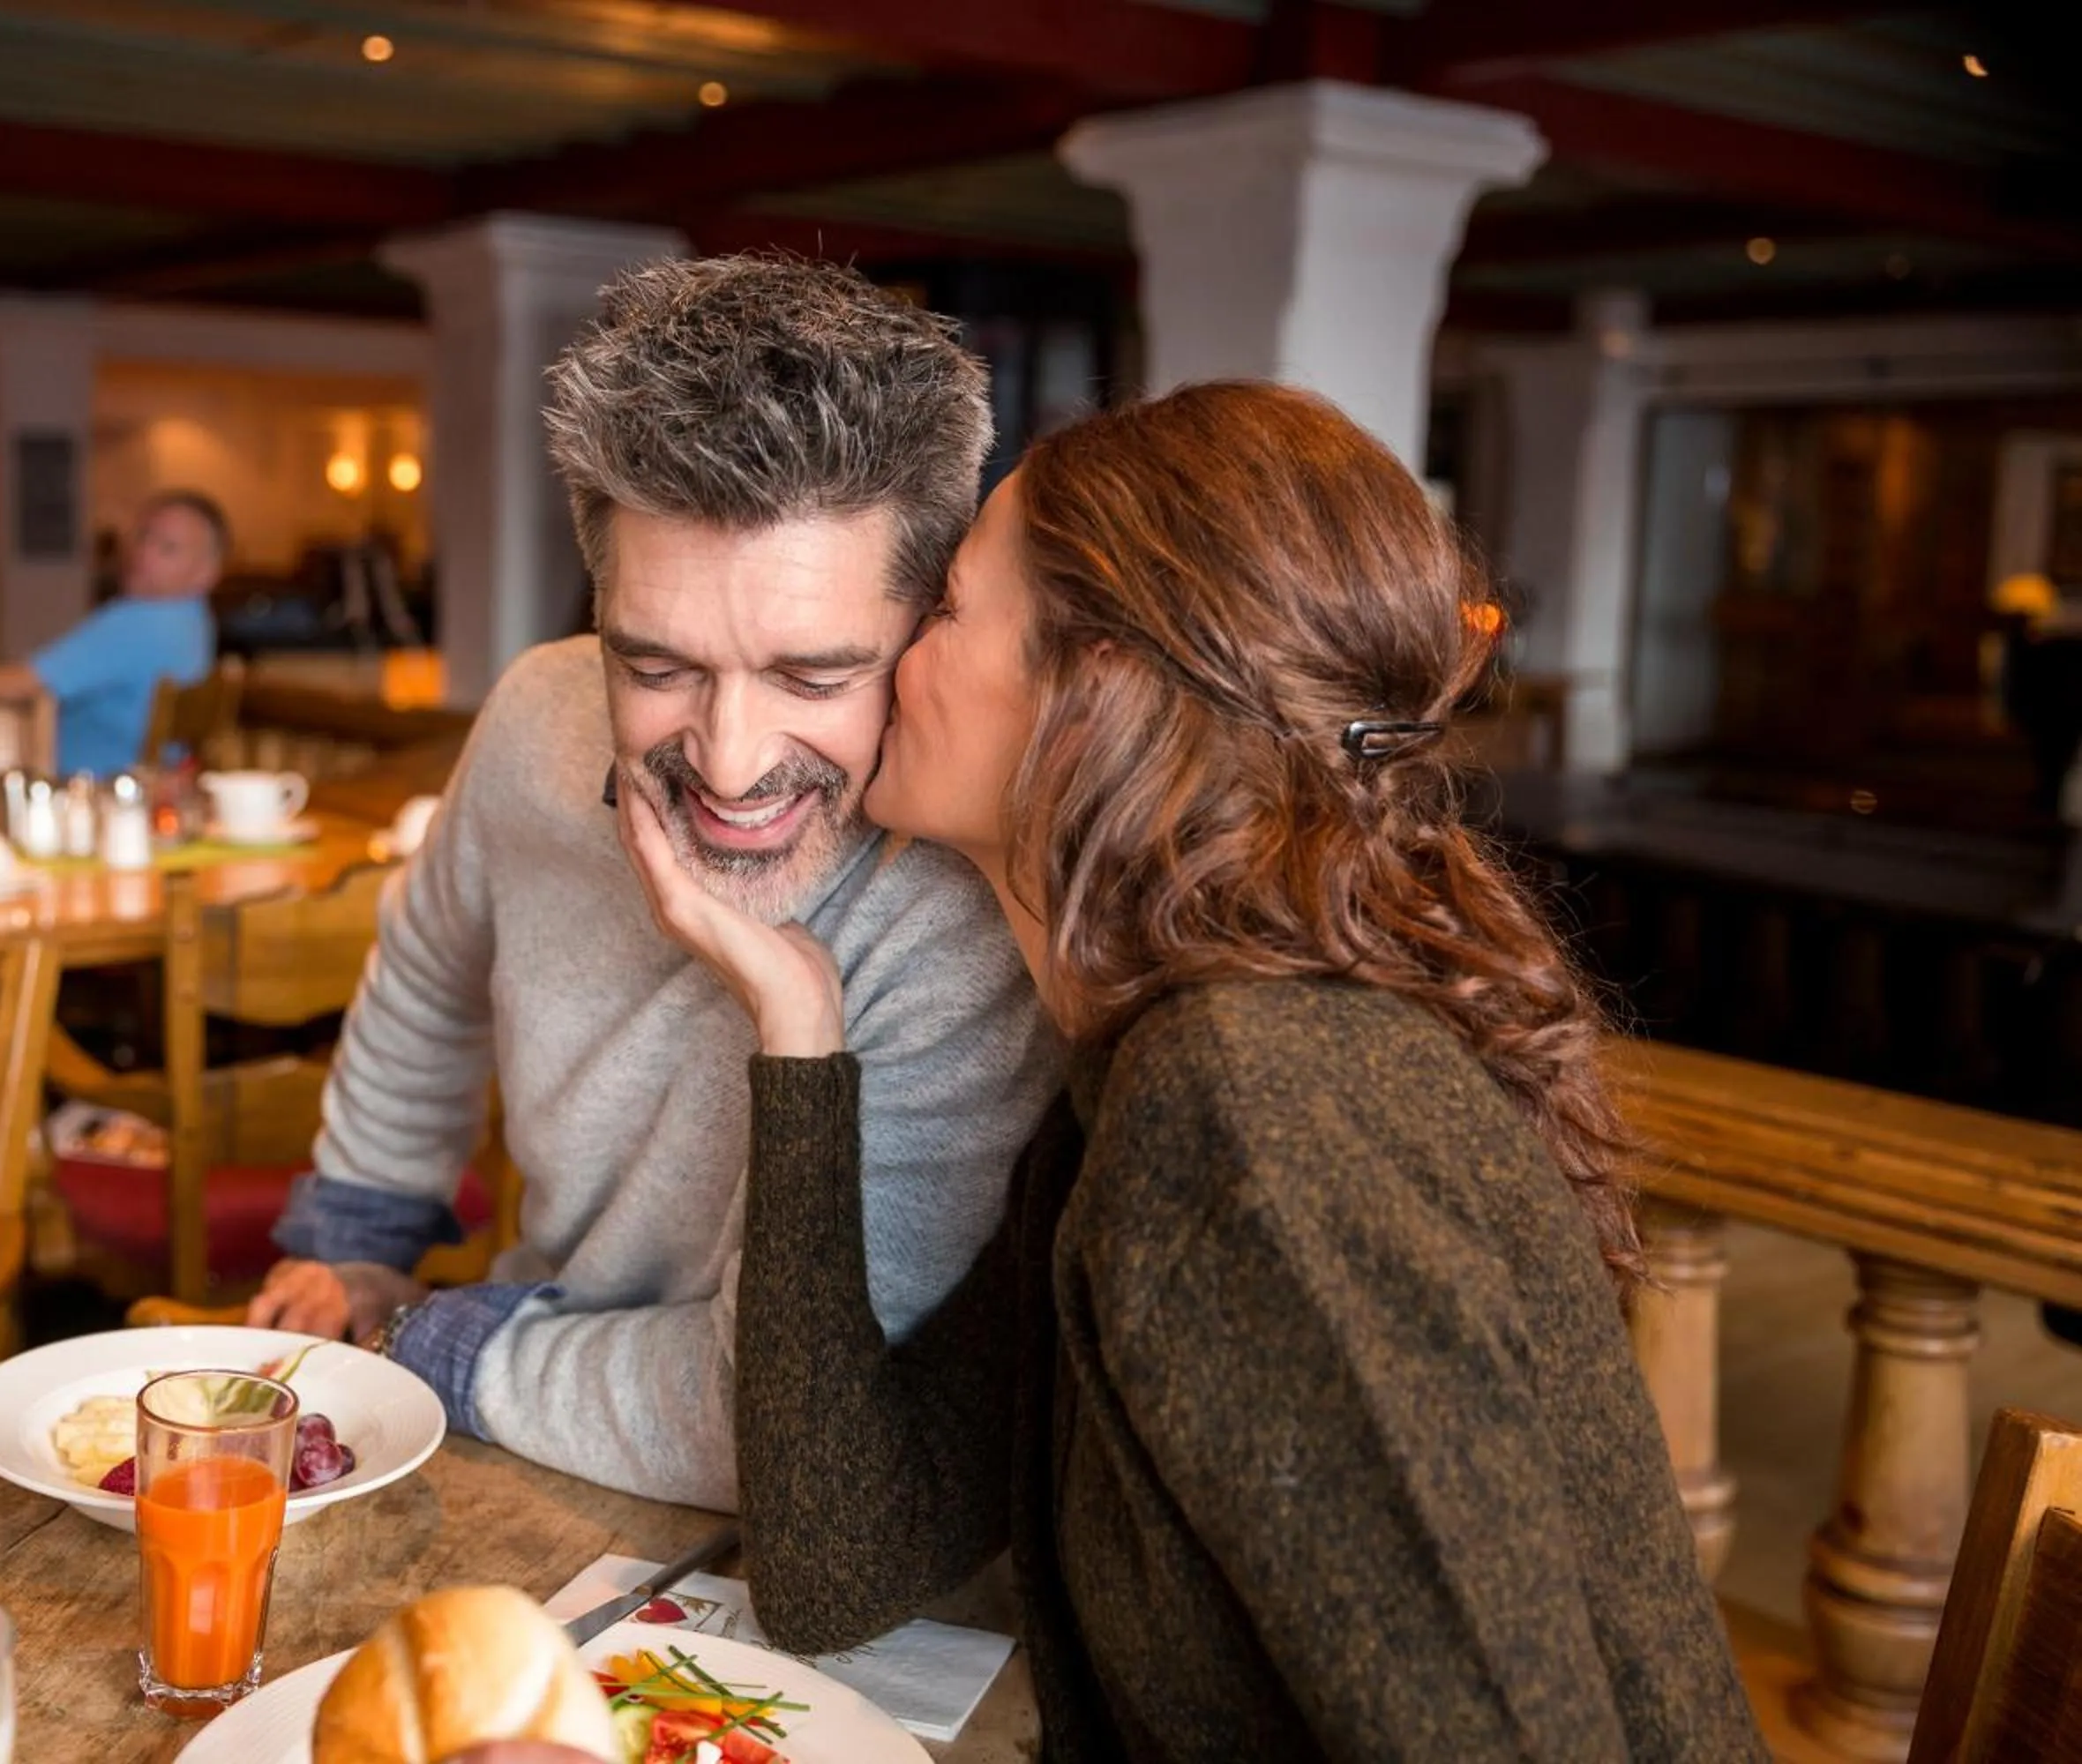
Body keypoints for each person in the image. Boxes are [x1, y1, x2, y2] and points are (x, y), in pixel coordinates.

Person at [626, 381, 1763, 1757]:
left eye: (950, 609)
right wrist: (801, 1027)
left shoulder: (1253, 1110)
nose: (897, 656)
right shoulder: (1139, 1077)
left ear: (1089, 691)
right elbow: (837, 1561)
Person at [243, 255, 1059, 1511]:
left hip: (799, 1547)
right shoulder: (537, 713)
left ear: (927, 630)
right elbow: (428, 969)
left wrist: (432, 1342)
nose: (730, 763)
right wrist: (359, 1243)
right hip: (526, 1449)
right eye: (659, 668)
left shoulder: (972, 904)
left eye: (812, 676)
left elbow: (789, 1420)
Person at [0, 490, 222, 775]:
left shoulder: (140, 620)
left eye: (168, 548)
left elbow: (24, 683)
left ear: (205, 573)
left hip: (86, 787)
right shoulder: (194, 620)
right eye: (144, 536)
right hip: (149, 779)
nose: (143, 553)